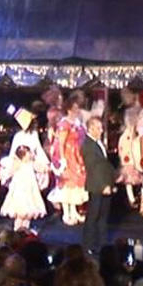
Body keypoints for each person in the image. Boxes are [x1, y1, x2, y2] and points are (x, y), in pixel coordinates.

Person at [49, 96, 89, 226]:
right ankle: (67, 213)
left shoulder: (77, 122)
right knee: (67, 183)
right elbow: (61, 143)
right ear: (69, 109)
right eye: (75, 107)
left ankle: (74, 210)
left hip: (76, 154)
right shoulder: (64, 123)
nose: (77, 110)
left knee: (76, 182)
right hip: (67, 155)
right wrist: (62, 159)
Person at [80, 116, 114, 252]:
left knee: (103, 217)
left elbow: (104, 164)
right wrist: (103, 185)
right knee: (93, 216)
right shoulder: (88, 145)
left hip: (105, 184)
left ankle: (102, 244)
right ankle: (89, 245)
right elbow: (94, 167)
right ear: (91, 128)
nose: (101, 130)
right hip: (97, 186)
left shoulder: (97, 143)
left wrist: (112, 179)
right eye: (99, 128)